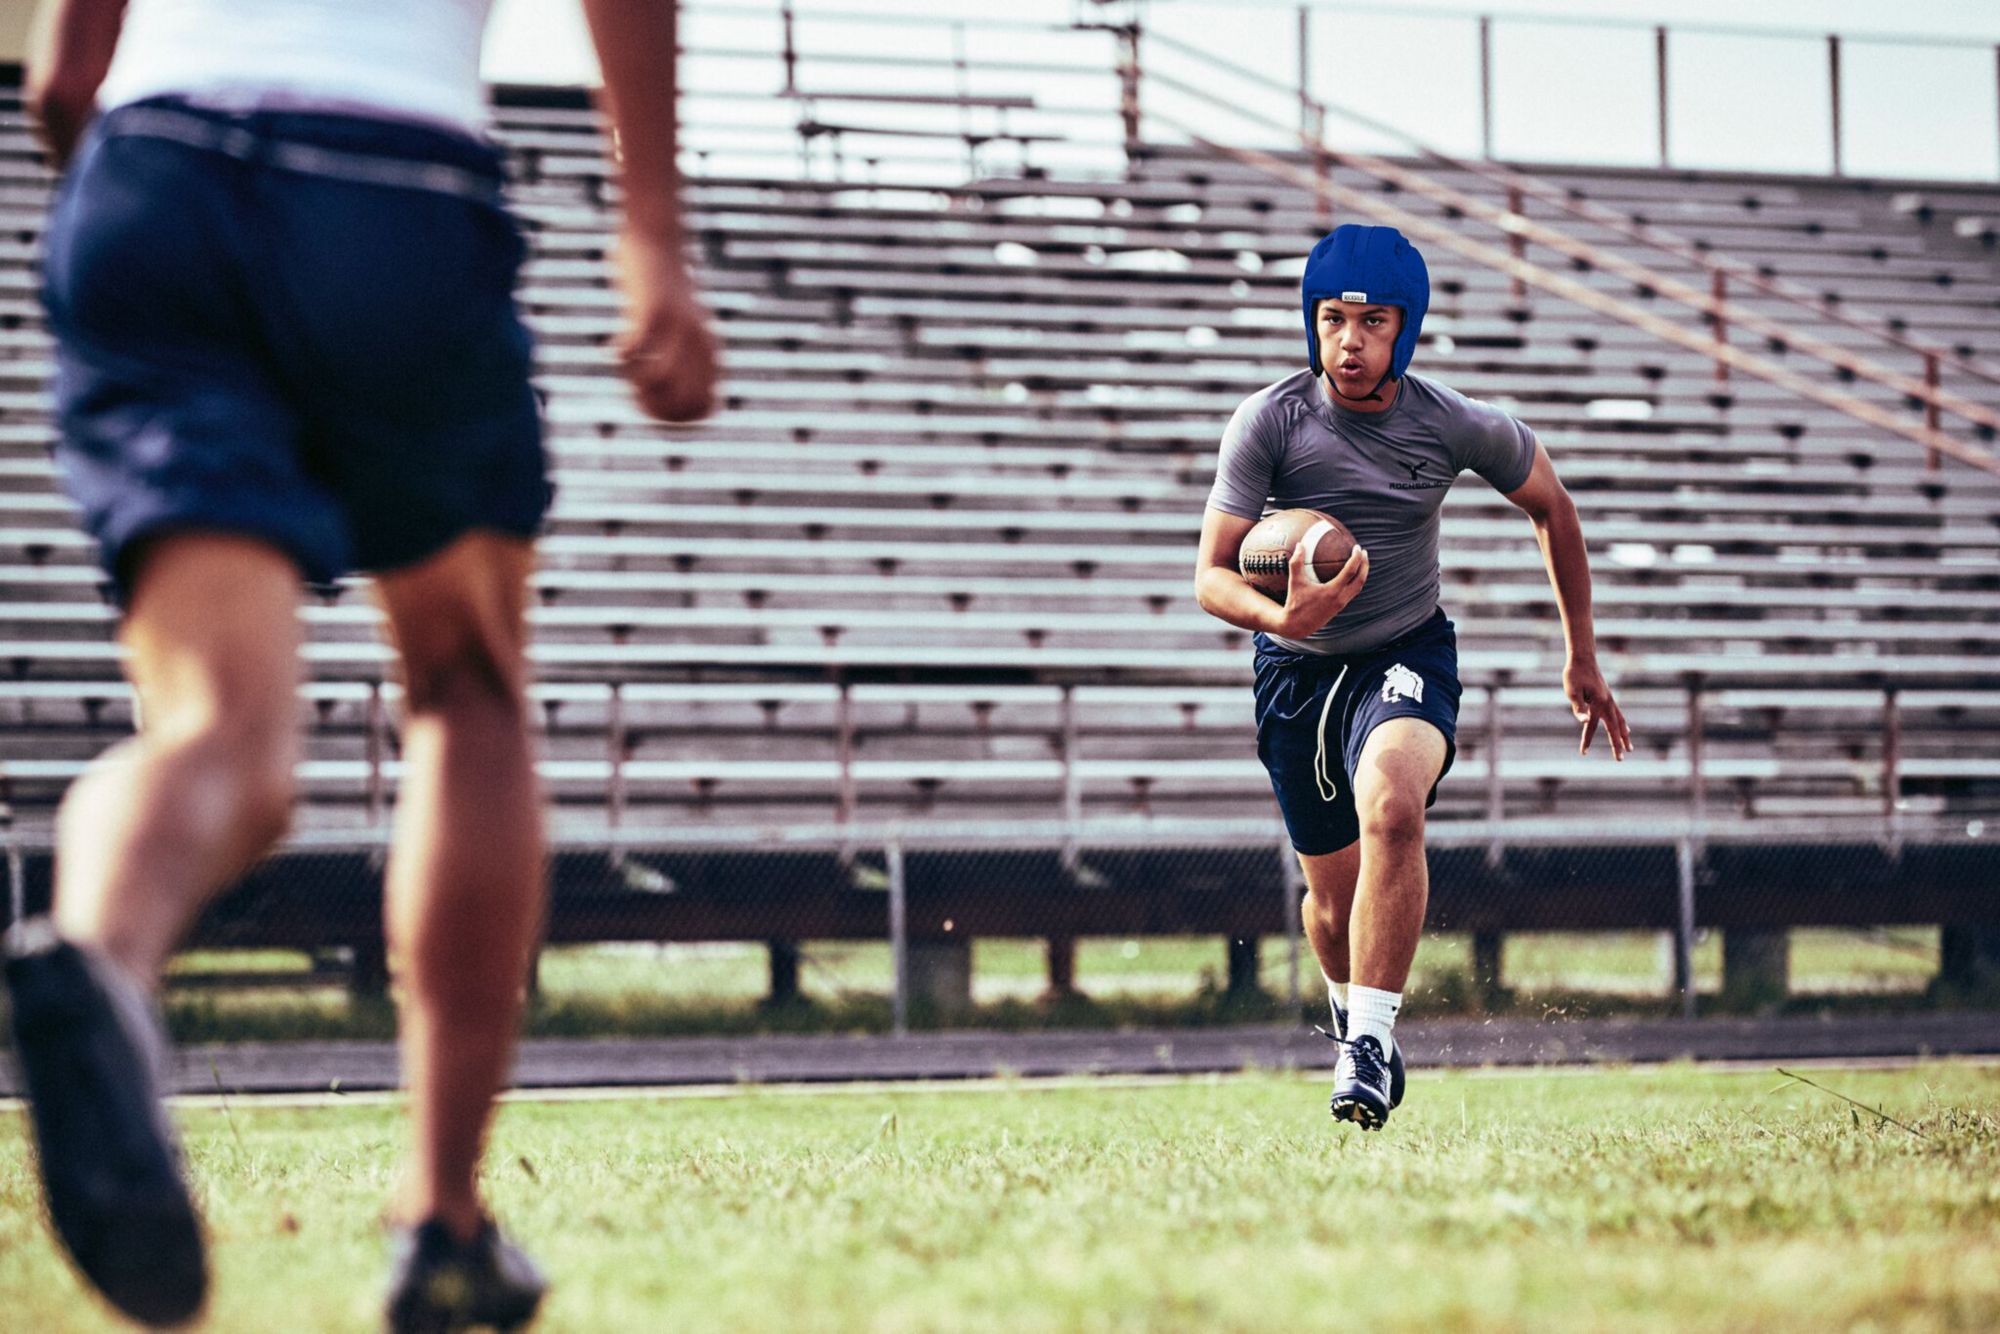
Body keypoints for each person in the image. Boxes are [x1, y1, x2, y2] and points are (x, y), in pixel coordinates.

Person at [2, 0, 716, 1326]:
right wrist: (652, 237)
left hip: (155, 174)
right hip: (389, 176)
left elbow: (61, 78)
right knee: (463, 682)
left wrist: (139, 235)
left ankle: (100, 963)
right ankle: (443, 1220)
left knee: (215, 730)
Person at [1194, 224, 1630, 1130]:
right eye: (1332, 320)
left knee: (1393, 806)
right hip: (1295, 673)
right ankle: (1356, 1021)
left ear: (1408, 328)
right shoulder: (1269, 421)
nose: (1349, 342)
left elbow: (1552, 505)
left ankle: (1366, 1044)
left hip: (1405, 652)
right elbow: (1211, 575)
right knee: (1329, 903)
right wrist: (1282, 617)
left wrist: (1582, 653)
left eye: (1373, 322)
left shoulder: (1449, 422)